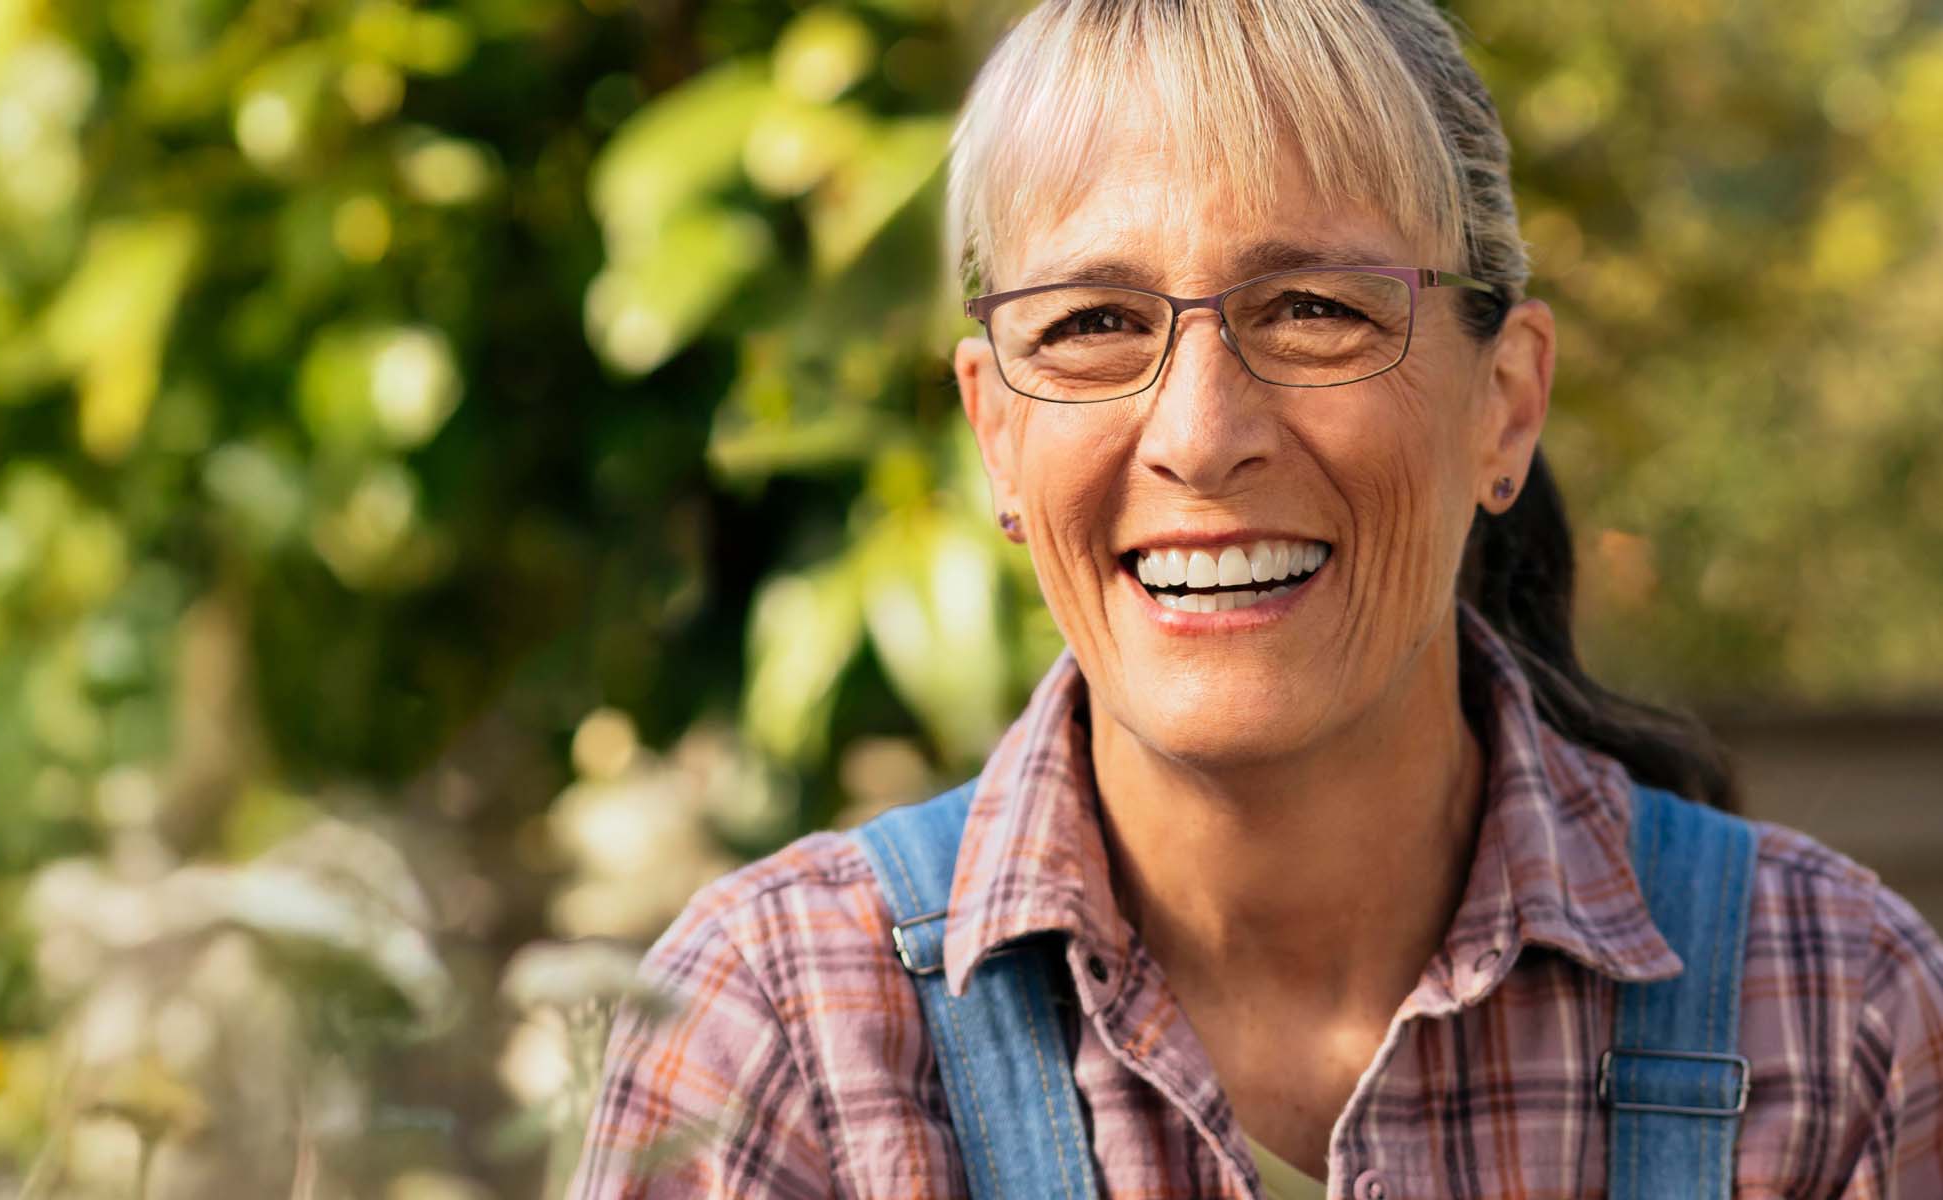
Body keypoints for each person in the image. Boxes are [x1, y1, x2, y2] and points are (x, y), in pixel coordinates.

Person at [570, 1, 1943, 1196]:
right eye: (1093, 324)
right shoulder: (783, 1030)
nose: (1200, 433)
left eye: (1315, 309)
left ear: (1505, 407)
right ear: (995, 432)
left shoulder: (1836, 1020)